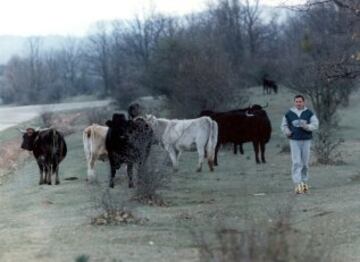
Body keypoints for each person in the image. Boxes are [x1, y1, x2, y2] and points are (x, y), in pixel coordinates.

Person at [281, 95, 319, 194]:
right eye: (297, 101)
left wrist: (307, 126)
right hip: (294, 140)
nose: (298, 103)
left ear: (303, 102)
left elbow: (315, 124)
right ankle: (298, 186)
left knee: (305, 163)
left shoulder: (309, 113)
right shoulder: (289, 114)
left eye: (300, 101)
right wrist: (287, 131)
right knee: (296, 162)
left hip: (306, 140)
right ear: (294, 102)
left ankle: (304, 185)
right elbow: (284, 125)